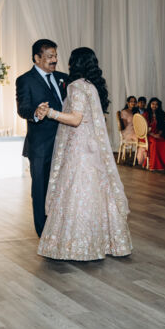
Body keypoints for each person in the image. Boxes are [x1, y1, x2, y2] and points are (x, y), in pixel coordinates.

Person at [37, 47, 132, 261]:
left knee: (76, 190)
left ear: (75, 63)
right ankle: (105, 241)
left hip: (79, 148)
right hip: (93, 146)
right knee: (95, 190)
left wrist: (50, 112)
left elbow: (76, 119)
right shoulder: (92, 86)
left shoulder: (76, 86)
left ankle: (78, 244)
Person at [16, 39, 68, 237]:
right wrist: (36, 113)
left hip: (65, 142)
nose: (54, 60)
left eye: (55, 56)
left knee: (63, 186)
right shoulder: (25, 80)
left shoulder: (64, 78)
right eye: (49, 56)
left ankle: (61, 227)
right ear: (37, 58)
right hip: (40, 145)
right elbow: (23, 108)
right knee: (41, 188)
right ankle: (43, 232)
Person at [144, 97, 165, 170]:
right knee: (155, 142)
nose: (154, 106)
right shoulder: (146, 114)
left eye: (156, 104)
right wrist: (154, 135)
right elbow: (143, 128)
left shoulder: (161, 114)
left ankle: (163, 164)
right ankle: (153, 165)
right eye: (153, 104)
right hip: (147, 135)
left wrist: (159, 134)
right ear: (150, 104)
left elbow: (162, 126)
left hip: (156, 134)